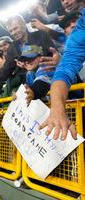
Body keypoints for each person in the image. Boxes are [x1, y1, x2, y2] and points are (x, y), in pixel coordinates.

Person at [40, 6, 85, 141]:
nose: (72, 24)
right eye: (67, 24)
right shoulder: (76, 40)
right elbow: (64, 72)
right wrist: (57, 110)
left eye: (75, 20)